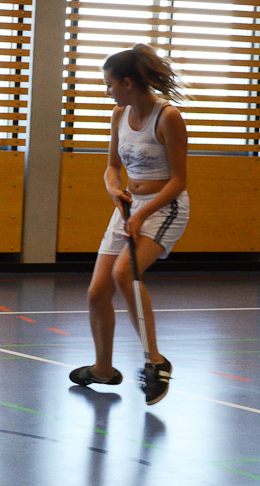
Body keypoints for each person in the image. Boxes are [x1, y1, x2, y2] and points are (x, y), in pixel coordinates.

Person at [69, 44, 189, 406]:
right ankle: (103, 369)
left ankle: (156, 362)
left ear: (127, 82)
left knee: (124, 273)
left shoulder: (167, 117)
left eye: (109, 84)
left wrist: (142, 214)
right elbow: (112, 167)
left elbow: (179, 181)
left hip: (164, 208)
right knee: (97, 292)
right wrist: (112, 189)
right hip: (128, 207)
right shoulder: (119, 114)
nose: (107, 91)